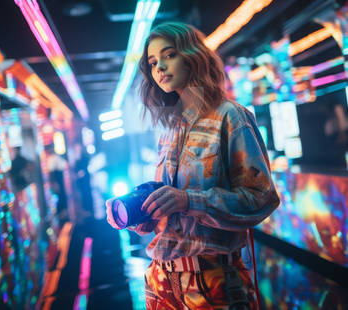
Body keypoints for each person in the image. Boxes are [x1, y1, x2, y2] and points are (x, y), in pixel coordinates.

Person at [106, 22, 280, 309]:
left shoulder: (230, 117)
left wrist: (188, 200)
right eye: (152, 62)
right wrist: (144, 214)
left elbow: (261, 199)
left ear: (192, 55)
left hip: (211, 281)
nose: (159, 67)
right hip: (161, 281)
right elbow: (173, 214)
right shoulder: (170, 130)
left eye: (169, 54)